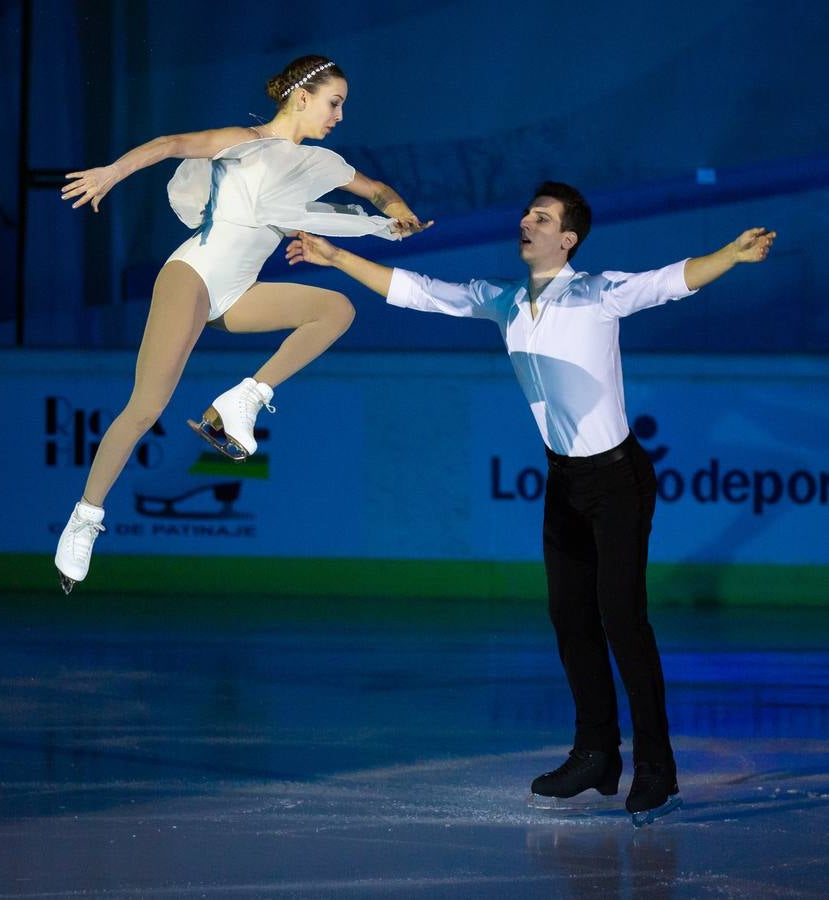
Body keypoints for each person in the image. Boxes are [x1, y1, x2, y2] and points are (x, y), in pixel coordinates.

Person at [284, 183, 775, 825]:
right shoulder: (506, 300)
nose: (526, 221)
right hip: (564, 480)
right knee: (570, 620)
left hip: (618, 480)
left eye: (541, 217)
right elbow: (421, 292)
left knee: (622, 621)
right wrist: (338, 258)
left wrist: (729, 255)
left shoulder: (597, 292)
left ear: (567, 238)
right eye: (527, 213)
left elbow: (668, 281)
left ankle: (658, 767)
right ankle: (596, 753)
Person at [54, 55, 431, 594]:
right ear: (303, 97)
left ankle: (243, 400)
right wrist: (112, 172)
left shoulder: (321, 164)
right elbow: (168, 145)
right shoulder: (243, 139)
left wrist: (402, 214)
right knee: (147, 407)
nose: (340, 115)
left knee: (336, 310)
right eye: (335, 102)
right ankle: (85, 518)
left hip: (236, 292)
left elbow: (376, 191)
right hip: (193, 275)